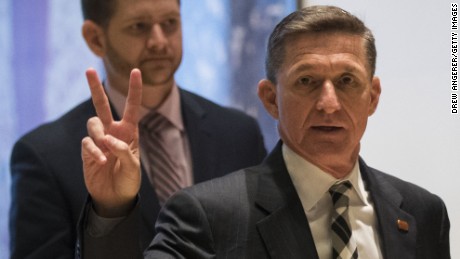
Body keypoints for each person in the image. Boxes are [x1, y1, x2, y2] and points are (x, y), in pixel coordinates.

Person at [80, 5, 451, 258]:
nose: (329, 103)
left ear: (372, 97)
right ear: (271, 99)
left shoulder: (421, 212)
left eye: (347, 81)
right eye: (306, 81)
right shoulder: (209, 214)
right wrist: (113, 211)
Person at [9, 0, 267, 258]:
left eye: (170, 23)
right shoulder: (45, 155)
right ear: (95, 38)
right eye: (139, 26)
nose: (159, 41)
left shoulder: (239, 133)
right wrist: (109, 210)